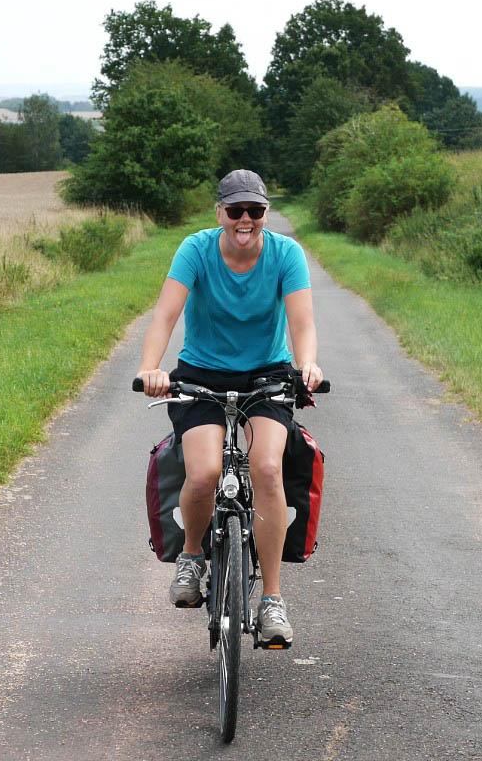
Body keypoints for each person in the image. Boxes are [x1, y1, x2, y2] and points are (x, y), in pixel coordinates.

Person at [136, 169, 323, 646]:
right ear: (219, 212)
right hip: (201, 373)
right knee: (201, 473)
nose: (245, 220)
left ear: (265, 212)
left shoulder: (285, 254)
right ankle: (193, 556)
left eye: (255, 211)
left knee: (266, 468)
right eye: (235, 210)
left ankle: (272, 600)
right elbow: (166, 313)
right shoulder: (196, 249)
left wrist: (307, 365)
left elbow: (301, 321)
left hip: (267, 374)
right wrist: (151, 368)